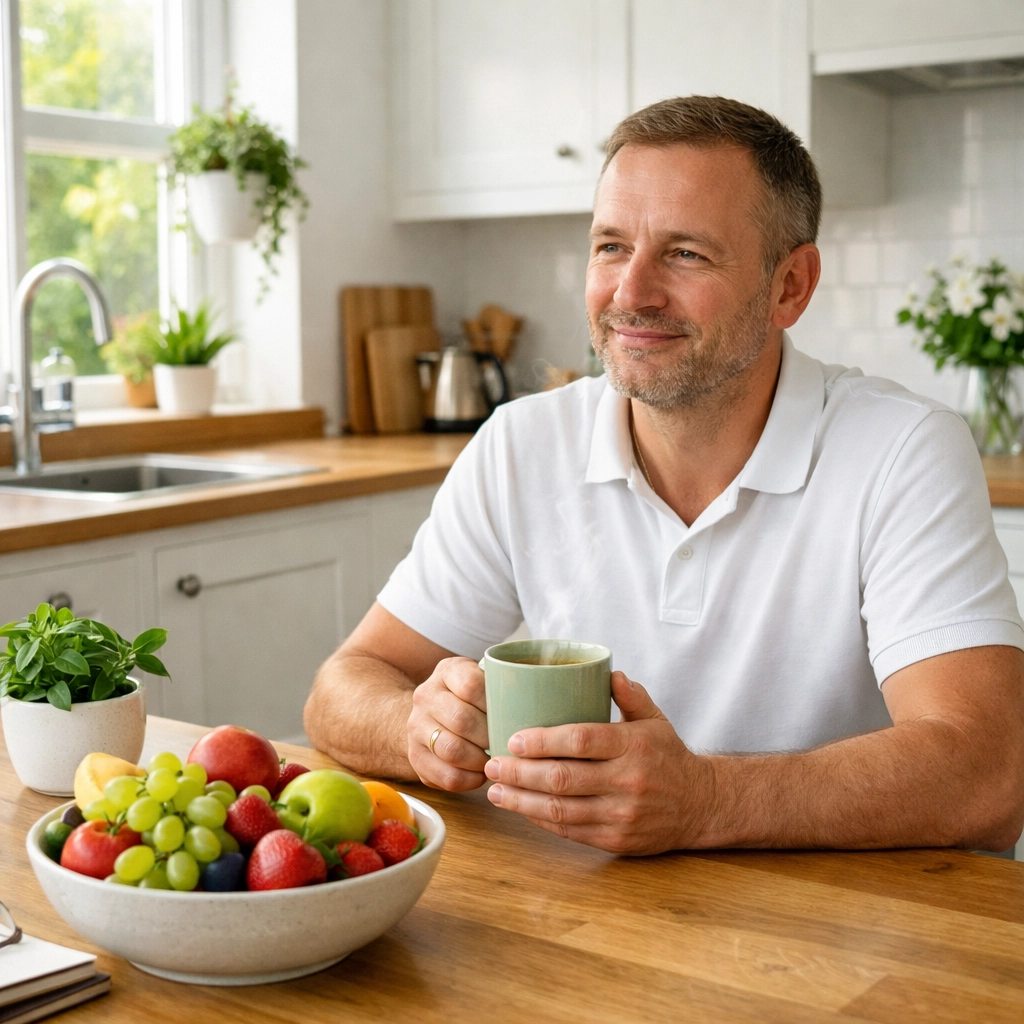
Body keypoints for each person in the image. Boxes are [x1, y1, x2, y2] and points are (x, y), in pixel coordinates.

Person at [305, 96, 1024, 856]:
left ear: (791, 286)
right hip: (597, 920)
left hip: (849, 942)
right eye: (611, 246)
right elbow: (345, 685)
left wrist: (708, 801)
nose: (630, 293)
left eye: (685, 253)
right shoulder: (521, 443)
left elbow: (987, 775)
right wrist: (418, 728)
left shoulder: (904, 450)